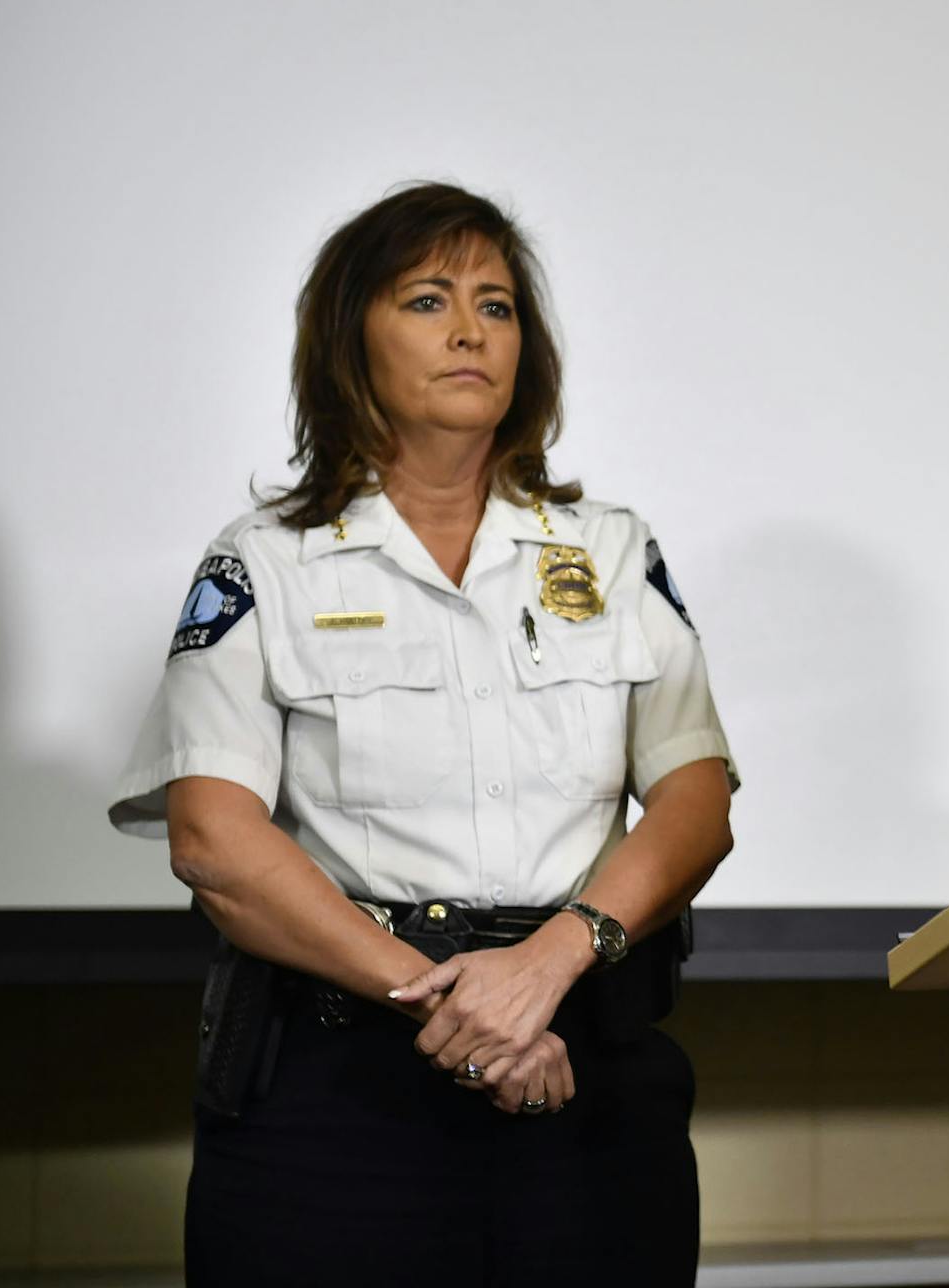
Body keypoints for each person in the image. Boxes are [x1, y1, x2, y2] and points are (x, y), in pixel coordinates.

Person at [109, 183, 737, 1285]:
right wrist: (455, 1003)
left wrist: (546, 965)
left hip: (582, 1059)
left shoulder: (610, 549)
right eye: (427, 300)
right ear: (350, 338)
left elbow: (697, 803)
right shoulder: (261, 561)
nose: (468, 332)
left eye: (496, 308)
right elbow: (212, 841)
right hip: (337, 1091)